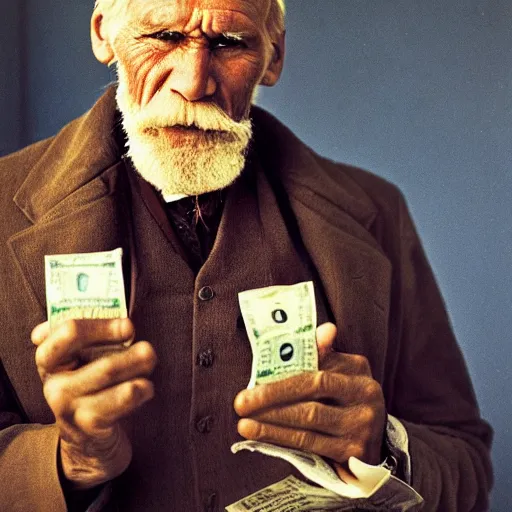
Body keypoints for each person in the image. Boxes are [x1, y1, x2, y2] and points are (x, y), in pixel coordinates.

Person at [0, 0, 493, 510]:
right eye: (163, 37)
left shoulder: (374, 210)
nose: (193, 83)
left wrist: (384, 450)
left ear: (274, 56)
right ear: (104, 34)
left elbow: (466, 464)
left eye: (229, 43)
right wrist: (68, 462)